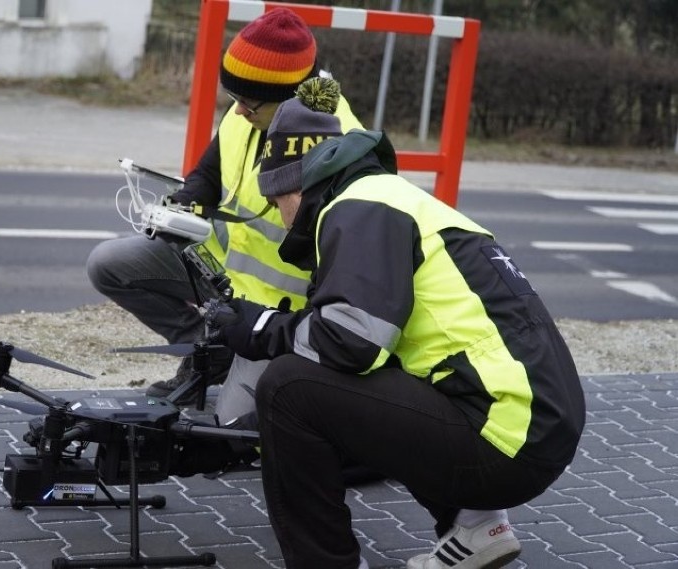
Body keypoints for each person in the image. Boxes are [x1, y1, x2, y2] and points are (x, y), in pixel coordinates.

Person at [208, 77, 586, 569]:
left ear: (296, 184)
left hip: (505, 438)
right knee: (374, 378)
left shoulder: (357, 210)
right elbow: (367, 337)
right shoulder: (390, 197)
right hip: (533, 423)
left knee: (287, 389)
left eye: (277, 201)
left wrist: (259, 330)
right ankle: (476, 526)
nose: (280, 219)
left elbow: (349, 344)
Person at [86, 8, 362, 422]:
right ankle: (208, 350)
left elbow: (343, 265)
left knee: (236, 428)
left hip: (280, 308)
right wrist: (185, 204)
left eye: (247, 103)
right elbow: (210, 171)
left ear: (291, 98)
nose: (237, 113)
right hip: (223, 272)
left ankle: (246, 358)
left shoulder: (333, 143)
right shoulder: (252, 110)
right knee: (108, 264)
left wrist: (274, 332)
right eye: (233, 98)